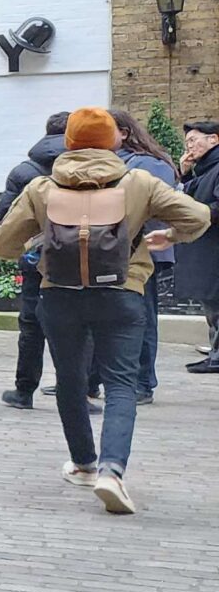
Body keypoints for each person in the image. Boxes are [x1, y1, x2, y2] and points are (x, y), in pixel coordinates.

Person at [0, 106, 209, 515]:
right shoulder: (138, 182)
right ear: (113, 140)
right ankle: (112, 470)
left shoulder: (41, 187)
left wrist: (37, 241)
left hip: (59, 295)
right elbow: (198, 216)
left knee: (70, 381)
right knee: (121, 383)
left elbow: (2, 245)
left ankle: (83, 464)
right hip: (122, 292)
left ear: (68, 142)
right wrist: (168, 235)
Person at [0, 113, 71, 410]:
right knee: (79, 326)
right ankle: (79, 392)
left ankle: (24, 390)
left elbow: (6, 216)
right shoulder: (89, 168)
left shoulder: (24, 171)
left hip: (37, 257)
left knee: (31, 324)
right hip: (81, 258)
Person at [114, 110, 179, 402]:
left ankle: (142, 382)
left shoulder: (149, 164)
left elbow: (161, 207)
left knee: (140, 316)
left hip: (142, 251)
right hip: (111, 250)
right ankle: (91, 380)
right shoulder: (114, 161)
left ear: (124, 132)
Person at [177, 120, 219, 372]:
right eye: (187, 142)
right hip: (206, 248)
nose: (189, 146)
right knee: (212, 304)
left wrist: (198, 215)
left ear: (214, 139)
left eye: (193, 140)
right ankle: (215, 353)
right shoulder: (205, 169)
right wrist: (185, 173)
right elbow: (188, 197)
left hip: (214, 248)